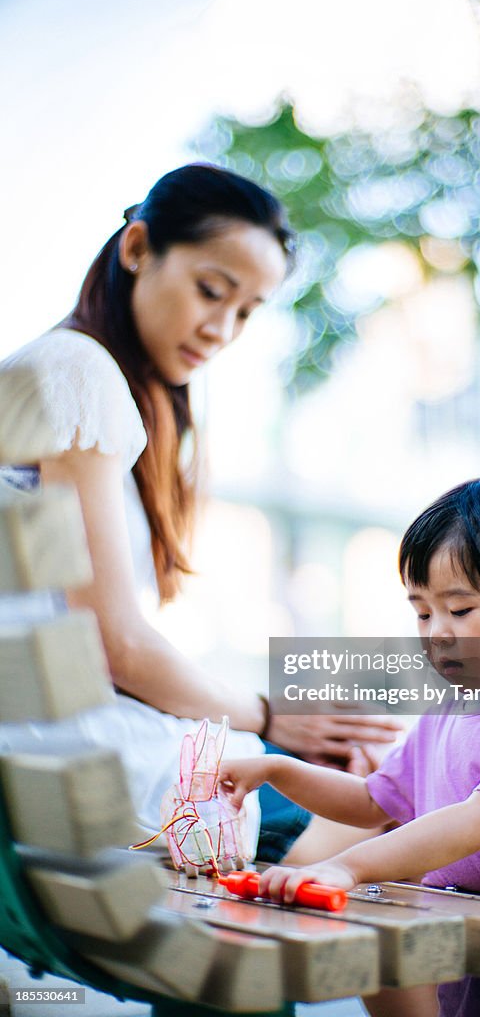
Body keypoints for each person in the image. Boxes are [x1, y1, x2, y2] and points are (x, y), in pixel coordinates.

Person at [0, 163, 399, 858]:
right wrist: (274, 719)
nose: (221, 328)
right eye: (210, 291)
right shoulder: (76, 371)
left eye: (246, 311)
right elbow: (115, 647)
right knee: (399, 823)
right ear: (136, 249)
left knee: (370, 794)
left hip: (67, 758)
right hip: (87, 769)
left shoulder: (83, 384)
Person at [219, 475, 480, 1017]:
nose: (436, 631)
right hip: (477, 975)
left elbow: (477, 821)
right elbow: (373, 801)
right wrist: (278, 769)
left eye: (460, 610)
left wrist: (347, 867)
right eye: (422, 611)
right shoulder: (448, 711)